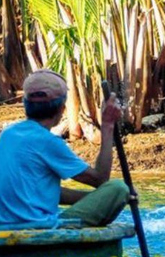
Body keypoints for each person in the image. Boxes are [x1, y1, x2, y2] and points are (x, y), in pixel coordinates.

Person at [0, 70, 130, 229]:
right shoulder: (48, 142)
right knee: (118, 189)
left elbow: (46, 191)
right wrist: (108, 126)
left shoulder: (8, 134)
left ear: (25, 105)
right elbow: (100, 179)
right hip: (39, 228)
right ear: (62, 109)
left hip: (7, 228)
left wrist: (94, 199)